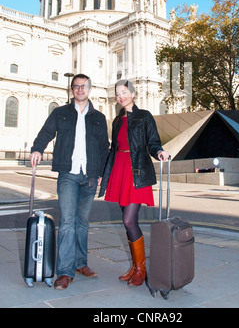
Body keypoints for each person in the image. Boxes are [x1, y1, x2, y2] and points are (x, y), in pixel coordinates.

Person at [30, 74, 109, 290]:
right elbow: (46, 132)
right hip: (68, 174)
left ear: (89, 89)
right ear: (72, 89)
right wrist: (37, 148)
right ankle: (64, 272)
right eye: (76, 86)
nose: (80, 89)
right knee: (67, 222)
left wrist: (102, 172)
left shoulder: (99, 118)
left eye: (83, 86)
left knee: (83, 222)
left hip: (90, 175)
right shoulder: (60, 112)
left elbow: (104, 147)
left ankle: (80, 263)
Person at [99, 79, 169, 286]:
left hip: (136, 170)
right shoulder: (117, 120)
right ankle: (135, 267)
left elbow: (153, 141)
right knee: (129, 223)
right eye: (118, 93)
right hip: (119, 169)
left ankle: (141, 269)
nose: (121, 96)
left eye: (124, 92)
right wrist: (106, 173)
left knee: (129, 221)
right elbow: (113, 150)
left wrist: (159, 152)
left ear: (132, 93)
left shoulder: (144, 116)